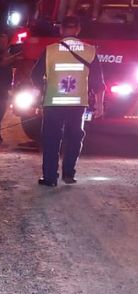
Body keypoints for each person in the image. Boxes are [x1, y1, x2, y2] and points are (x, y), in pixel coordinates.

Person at [31, 15, 105, 186]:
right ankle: (69, 174)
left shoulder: (50, 50)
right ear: (78, 29)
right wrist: (100, 104)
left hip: (53, 103)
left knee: (51, 140)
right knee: (74, 138)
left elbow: (34, 76)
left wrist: (41, 93)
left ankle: (50, 178)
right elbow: (98, 82)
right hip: (77, 105)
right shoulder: (90, 51)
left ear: (61, 29)